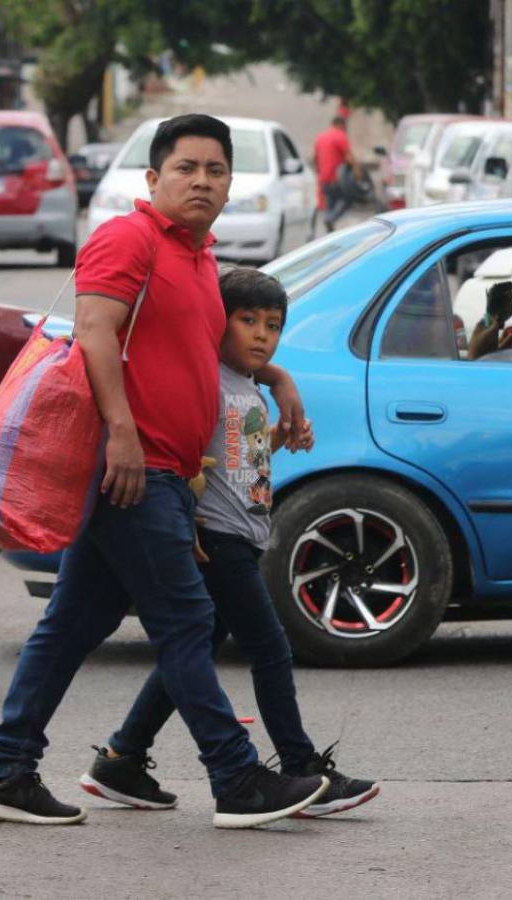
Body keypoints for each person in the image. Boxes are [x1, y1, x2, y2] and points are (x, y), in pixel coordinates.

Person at [0, 114, 326, 830]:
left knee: (72, 626)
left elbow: (205, 353)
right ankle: (236, 777)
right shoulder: (126, 239)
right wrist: (123, 435)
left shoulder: (197, 259)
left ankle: (4, 770)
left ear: (229, 185)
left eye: (215, 170)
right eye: (186, 168)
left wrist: (279, 379)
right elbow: (96, 332)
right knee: (188, 618)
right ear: (154, 179)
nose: (201, 181)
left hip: (165, 472)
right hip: (133, 468)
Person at [80, 267, 381, 819]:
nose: (262, 335)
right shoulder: (206, 379)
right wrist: (185, 524)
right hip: (214, 538)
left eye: (273, 325)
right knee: (270, 649)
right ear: (217, 322)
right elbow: (184, 461)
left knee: (191, 652)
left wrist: (280, 425)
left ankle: (122, 758)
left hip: (242, 533)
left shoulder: (245, 384)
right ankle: (299, 766)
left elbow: (235, 455)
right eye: (247, 321)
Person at [313, 116, 357, 233]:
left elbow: (315, 159)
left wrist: (320, 173)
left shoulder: (320, 137)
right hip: (337, 179)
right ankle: (330, 219)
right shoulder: (340, 136)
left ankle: (329, 232)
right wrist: (358, 171)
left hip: (324, 178)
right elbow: (349, 157)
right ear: (341, 125)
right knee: (348, 198)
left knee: (330, 203)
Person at [468, 280, 512, 360]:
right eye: (511, 304)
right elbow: (490, 357)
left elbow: (490, 352)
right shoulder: (493, 328)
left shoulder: (484, 324)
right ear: (501, 309)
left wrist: (503, 340)